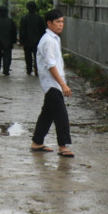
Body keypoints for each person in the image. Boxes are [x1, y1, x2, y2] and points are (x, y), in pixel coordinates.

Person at [30, 9, 73, 157]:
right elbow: (50, 65)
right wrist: (63, 85)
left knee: (47, 114)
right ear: (49, 23)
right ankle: (63, 146)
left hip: (54, 83)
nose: (61, 25)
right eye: (58, 22)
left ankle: (37, 142)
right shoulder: (47, 40)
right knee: (61, 115)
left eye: (62, 22)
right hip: (52, 83)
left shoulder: (55, 39)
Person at [18, 2, 48, 76]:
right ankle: (37, 69)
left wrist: (21, 41)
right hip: (37, 41)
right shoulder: (39, 18)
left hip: (27, 41)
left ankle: (29, 69)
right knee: (37, 56)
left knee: (28, 55)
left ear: (27, 8)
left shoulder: (24, 18)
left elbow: (22, 31)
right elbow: (43, 30)